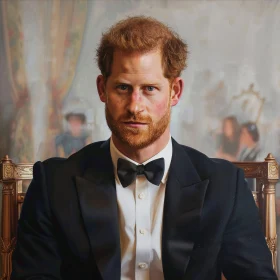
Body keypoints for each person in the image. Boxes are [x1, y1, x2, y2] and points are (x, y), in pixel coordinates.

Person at [11, 16, 277, 280]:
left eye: (149, 88)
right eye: (123, 88)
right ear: (102, 89)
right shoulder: (53, 184)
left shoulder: (225, 186)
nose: (135, 106)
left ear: (175, 92)